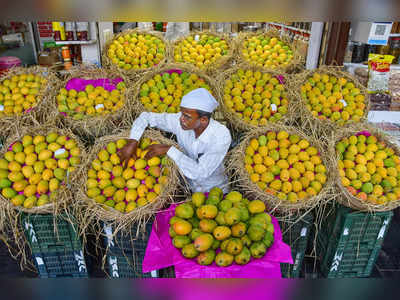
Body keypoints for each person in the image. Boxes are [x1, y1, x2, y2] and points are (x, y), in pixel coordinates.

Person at [118, 88, 232, 193]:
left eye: (187, 116)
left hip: (214, 190)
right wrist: (133, 141)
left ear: (203, 120)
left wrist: (169, 150)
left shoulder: (221, 136)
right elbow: (146, 117)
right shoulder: (180, 121)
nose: (181, 119)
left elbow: (200, 172)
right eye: (182, 113)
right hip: (187, 185)